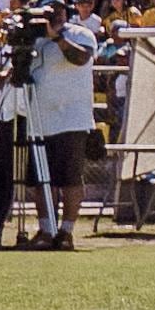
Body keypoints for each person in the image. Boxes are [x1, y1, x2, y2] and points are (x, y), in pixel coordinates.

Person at [24, 16, 102, 248]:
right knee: (40, 180)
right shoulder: (33, 40)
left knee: (69, 179)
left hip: (71, 119)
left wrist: (56, 37)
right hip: (38, 119)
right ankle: (46, 230)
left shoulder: (79, 34)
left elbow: (81, 57)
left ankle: (66, 232)